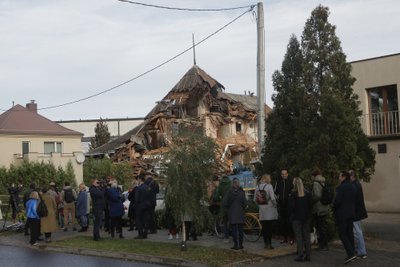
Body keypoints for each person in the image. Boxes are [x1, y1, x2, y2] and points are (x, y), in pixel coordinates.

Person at [333, 171, 357, 264]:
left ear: (343, 177)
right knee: (349, 233)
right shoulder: (353, 187)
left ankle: (351, 254)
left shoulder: (340, 188)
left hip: (342, 215)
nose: (339, 178)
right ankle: (352, 252)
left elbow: (337, 201)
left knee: (342, 234)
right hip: (351, 214)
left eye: (339, 176)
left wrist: (333, 206)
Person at [289, 177, 312, 262]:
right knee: (306, 236)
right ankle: (308, 254)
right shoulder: (307, 193)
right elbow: (310, 205)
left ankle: (300, 254)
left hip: (296, 218)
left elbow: (291, 207)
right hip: (306, 218)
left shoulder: (293, 194)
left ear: (294, 184)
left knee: (299, 237)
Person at [254, 174, 278, 249]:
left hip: (262, 210)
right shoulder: (269, 186)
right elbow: (273, 198)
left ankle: (265, 243)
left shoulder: (257, 187)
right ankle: (269, 244)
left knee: (264, 227)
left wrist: (260, 205)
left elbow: (254, 199)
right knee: (269, 228)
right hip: (269, 209)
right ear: (267, 179)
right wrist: (275, 205)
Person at [349, 170, 368, 259]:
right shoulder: (357, 184)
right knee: (358, 231)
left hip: (355, 212)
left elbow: (353, 201)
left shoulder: (354, 186)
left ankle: (362, 251)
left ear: (352, 176)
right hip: (357, 211)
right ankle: (360, 250)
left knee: (357, 232)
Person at [224, 178, 247, 250]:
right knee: (240, 230)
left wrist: (228, 208)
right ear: (238, 183)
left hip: (232, 213)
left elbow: (226, 203)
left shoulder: (229, 192)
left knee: (234, 229)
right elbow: (245, 203)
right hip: (240, 213)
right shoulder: (242, 192)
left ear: (233, 184)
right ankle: (240, 245)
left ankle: (235, 245)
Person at [311, 168, 330, 250]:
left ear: (314, 175)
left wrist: (311, 201)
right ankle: (324, 244)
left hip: (318, 208)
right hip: (324, 206)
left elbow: (318, 195)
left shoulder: (316, 182)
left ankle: (323, 245)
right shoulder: (323, 181)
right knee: (323, 226)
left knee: (320, 227)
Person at [275, 169, 294, 244]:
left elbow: (294, 192)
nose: (283, 175)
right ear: (281, 175)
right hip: (281, 205)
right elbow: (276, 192)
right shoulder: (278, 183)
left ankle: (291, 238)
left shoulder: (291, 182)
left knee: (290, 222)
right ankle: (285, 238)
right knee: (283, 223)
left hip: (289, 205)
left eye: (285, 174)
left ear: (287, 174)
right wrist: (277, 199)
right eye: (282, 174)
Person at [134, 174, 152, 239]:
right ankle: (145, 233)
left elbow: (137, 199)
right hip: (147, 205)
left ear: (140, 179)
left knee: (139, 220)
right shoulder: (148, 187)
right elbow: (150, 197)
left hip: (140, 206)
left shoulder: (139, 188)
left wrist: (136, 206)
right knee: (146, 220)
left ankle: (140, 234)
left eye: (138, 179)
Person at [216, 175, 232, 241]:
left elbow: (217, 195)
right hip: (231, 204)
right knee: (232, 220)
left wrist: (219, 198)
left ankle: (226, 236)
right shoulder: (231, 183)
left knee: (225, 221)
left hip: (223, 205)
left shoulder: (220, 185)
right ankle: (232, 234)